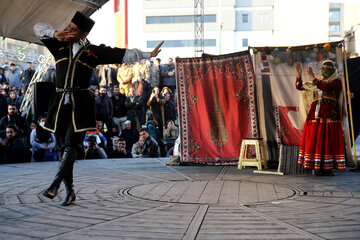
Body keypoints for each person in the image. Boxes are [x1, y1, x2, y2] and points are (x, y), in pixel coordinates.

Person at [34, 11, 163, 206]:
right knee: (62, 147)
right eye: (69, 26)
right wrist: (55, 34)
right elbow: (37, 28)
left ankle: (55, 184)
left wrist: (148, 54)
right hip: (60, 101)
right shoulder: (59, 44)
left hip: (81, 103)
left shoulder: (93, 52)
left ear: (84, 34)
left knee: (72, 144)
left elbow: (123, 54)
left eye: (74, 29)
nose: (69, 30)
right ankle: (69, 192)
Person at [295, 61, 346, 176]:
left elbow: (325, 87)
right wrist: (299, 75)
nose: (324, 71)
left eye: (327, 69)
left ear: (332, 70)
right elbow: (300, 87)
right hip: (315, 115)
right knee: (315, 140)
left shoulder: (336, 81)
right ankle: (315, 165)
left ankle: (327, 168)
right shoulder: (318, 81)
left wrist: (313, 77)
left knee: (327, 141)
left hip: (329, 117)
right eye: (323, 69)